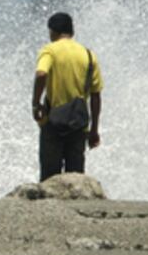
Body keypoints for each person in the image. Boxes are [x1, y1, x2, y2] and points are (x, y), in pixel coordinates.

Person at [32, 12, 104, 180]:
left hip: (53, 122)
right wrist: (94, 130)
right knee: (75, 178)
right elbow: (96, 95)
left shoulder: (50, 50)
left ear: (53, 31)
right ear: (71, 31)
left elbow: (41, 73)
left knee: (50, 178)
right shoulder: (88, 55)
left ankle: (50, 206)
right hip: (78, 125)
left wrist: (36, 103)